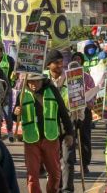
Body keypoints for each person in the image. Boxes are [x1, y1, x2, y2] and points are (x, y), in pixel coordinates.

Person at [13, 74, 74, 193]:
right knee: (32, 174)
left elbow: (63, 112)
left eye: (36, 81)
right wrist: (16, 112)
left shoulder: (52, 91)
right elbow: (15, 117)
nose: (33, 84)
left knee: (54, 172)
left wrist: (69, 133)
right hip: (31, 139)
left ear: (42, 80)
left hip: (50, 138)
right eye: (31, 81)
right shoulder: (22, 94)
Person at [43, 50, 76, 192]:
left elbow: (78, 99)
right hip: (48, 125)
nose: (60, 65)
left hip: (67, 123)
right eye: (56, 62)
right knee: (52, 161)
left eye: (61, 62)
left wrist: (79, 118)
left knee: (68, 160)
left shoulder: (71, 78)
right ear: (48, 65)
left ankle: (67, 189)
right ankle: (56, 187)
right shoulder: (41, 79)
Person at [70, 54, 96, 174]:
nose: (76, 61)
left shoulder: (87, 78)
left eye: (78, 59)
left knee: (85, 138)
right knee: (69, 138)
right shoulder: (66, 77)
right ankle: (69, 164)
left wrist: (90, 102)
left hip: (84, 111)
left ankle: (84, 164)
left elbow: (92, 94)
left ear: (82, 62)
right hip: (69, 112)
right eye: (74, 59)